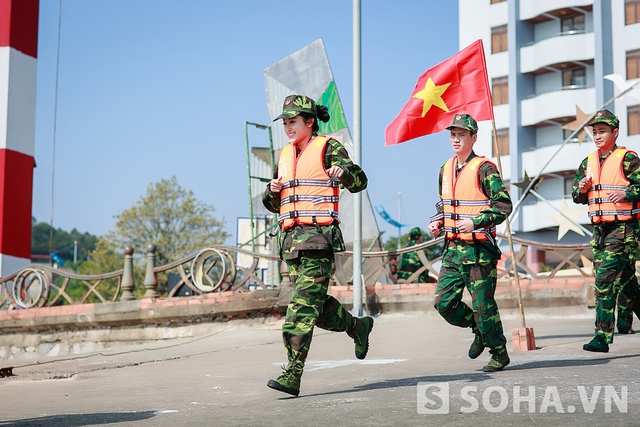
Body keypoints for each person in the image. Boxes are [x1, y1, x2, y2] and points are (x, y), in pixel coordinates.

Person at [262, 94, 373, 396]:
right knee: (316, 308)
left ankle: (293, 373)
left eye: (293, 122)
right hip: (291, 246)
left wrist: (343, 173)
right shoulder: (285, 155)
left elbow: (359, 180)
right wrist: (271, 192)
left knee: (299, 310)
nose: (288, 127)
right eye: (284, 122)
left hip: (318, 242)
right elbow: (274, 204)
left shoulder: (328, 148)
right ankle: (357, 327)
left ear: (309, 122)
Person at [428, 113, 512, 372]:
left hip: (479, 251)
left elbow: (503, 205)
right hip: (452, 250)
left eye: (461, 134)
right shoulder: (445, 169)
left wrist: (476, 222)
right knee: (443, 303)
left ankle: (499, 352)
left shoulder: (485, 168)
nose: (455, 139)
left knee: (483, 307)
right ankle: (476, 328)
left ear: (473, 137)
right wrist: (438, 222)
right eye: (453, 134)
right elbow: (446, 205)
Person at [572, 109, 640, 352]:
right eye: (595, 131)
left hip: (623, 231)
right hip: (599, 233)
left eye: (603, 131)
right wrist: (581, 189)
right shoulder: (587, 162)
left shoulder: (628, 159)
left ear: (615, 132)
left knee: (604, 281)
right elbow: (576, 196)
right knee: (627, 284)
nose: (598, 135)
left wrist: (627, 193)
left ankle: (601, 337)